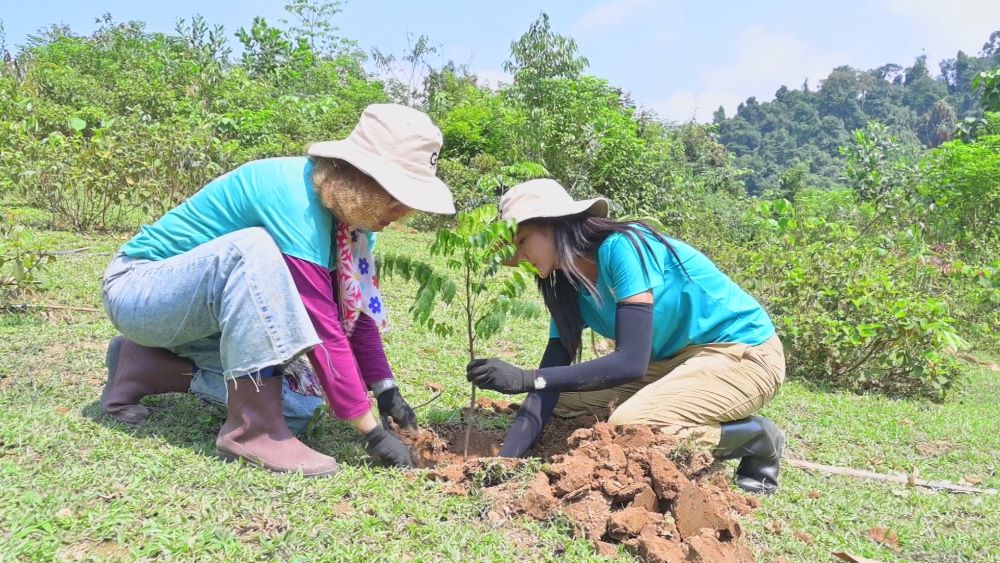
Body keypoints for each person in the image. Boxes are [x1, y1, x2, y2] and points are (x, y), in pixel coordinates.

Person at [100, 104, 455, 476]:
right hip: (140, 290)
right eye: (394, 194)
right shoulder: (294, 197)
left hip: (199, 318)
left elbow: (354, 312)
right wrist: (372, 434)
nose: (402, 211)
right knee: (252, 248)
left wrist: (385, 389)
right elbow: (323, 328)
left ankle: (142, 366)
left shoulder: (355, 229)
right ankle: (250, 432)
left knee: (298, 406)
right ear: (360, 178)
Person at [465, 179, 787, 494]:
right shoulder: (566, 284)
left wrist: (527, 378)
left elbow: (631, 362)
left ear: (554, 224)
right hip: (670, 362)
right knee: (559, 397)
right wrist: (506, 464)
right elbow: (548, 382)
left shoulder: (622, 249)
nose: (520, 257)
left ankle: (755, 438)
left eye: (522, 241)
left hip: (743, 352)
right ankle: (685, 407)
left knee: (631, 422)